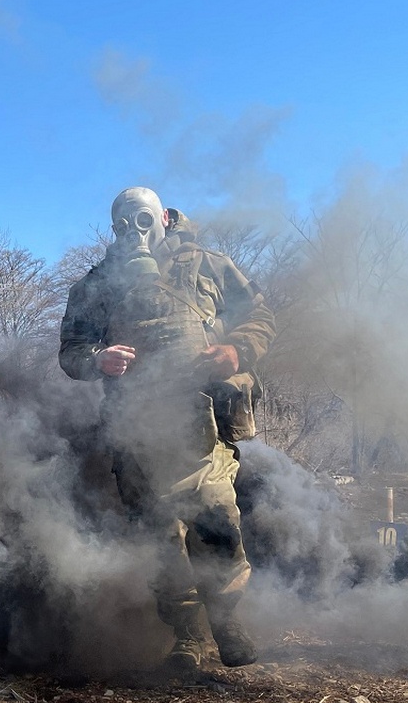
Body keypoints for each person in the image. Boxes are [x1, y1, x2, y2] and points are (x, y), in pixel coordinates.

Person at [59, 187, 275, 670]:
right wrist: (99, 360)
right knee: (157, 534)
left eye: (141, 218)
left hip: (200, 414)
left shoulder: (207, 265)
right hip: (134, 423)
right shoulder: (96, 285)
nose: (132, 230)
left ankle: (226, 618)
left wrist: (235, 351)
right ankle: (188, 635)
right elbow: (70, 351)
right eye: (121, 222)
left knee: (216, 516)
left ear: (164, 218)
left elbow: (259, 315)